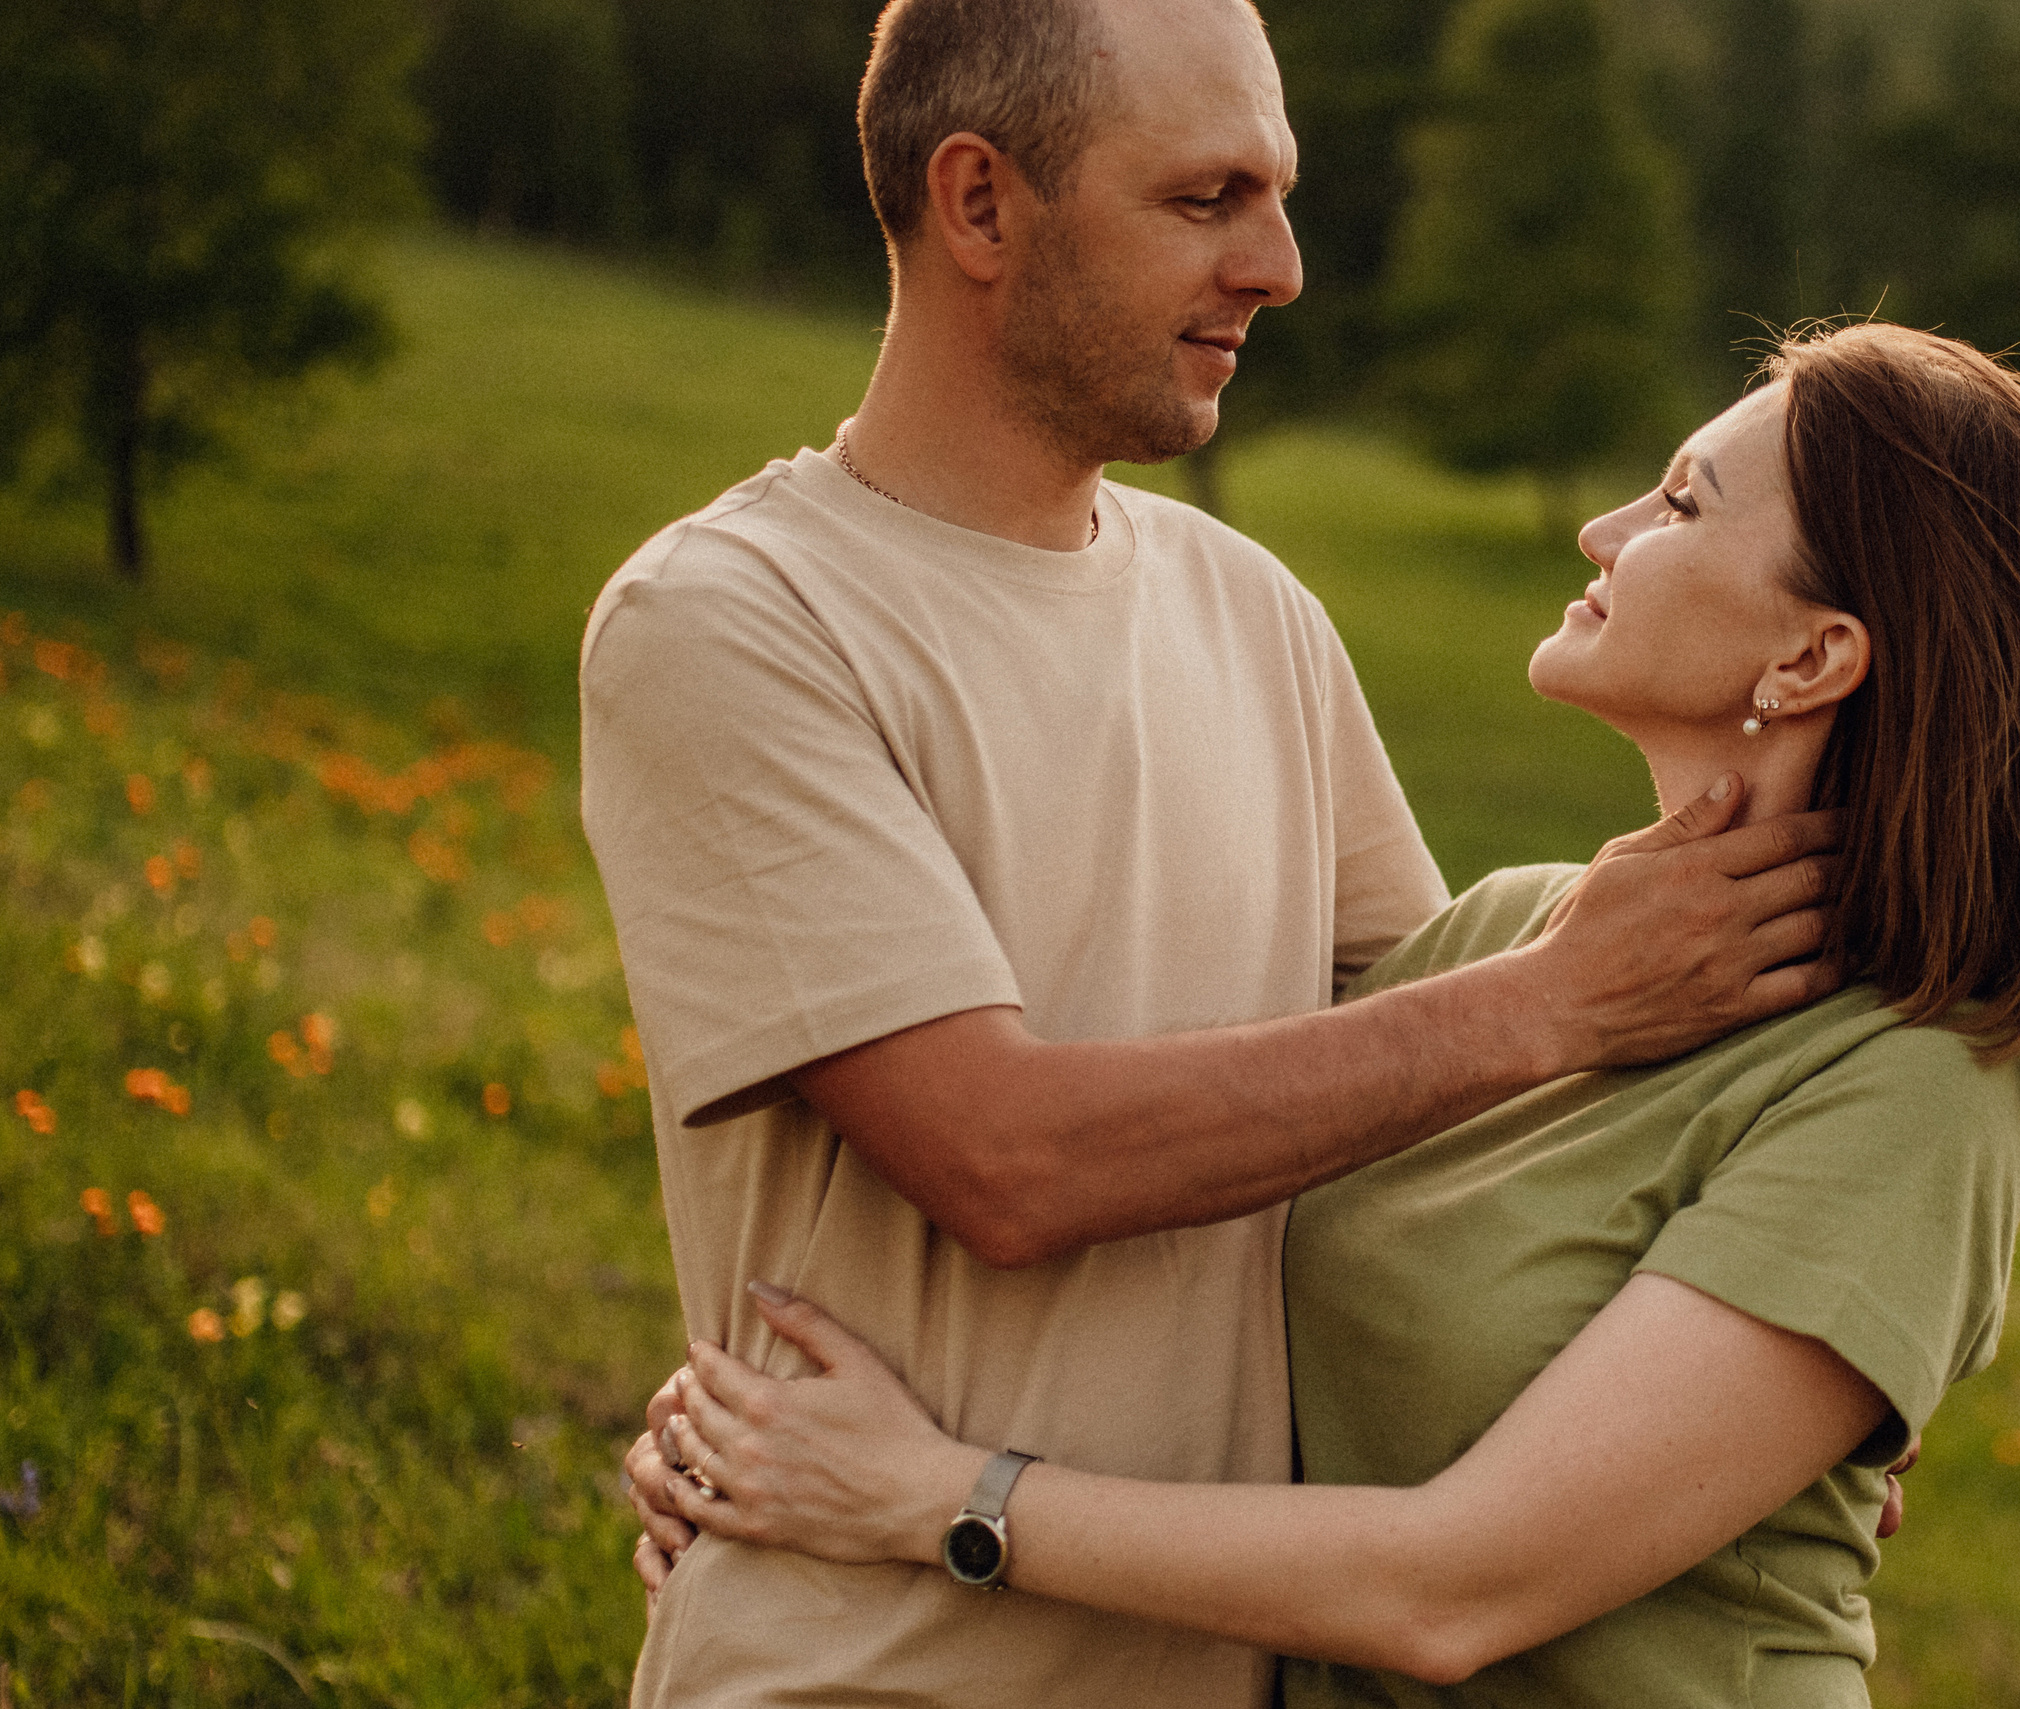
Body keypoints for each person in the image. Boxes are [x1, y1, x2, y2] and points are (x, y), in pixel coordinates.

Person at [628, 321, 2020, 1706]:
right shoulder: (1512, 938)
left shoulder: (1910, 1089)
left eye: (1678, 503)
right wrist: (751, 1441)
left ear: (1813, 656)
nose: (1601, 530)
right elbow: (1203, 1161)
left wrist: (928, 1499)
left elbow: (1446, 1590)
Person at [579, 0, 1841, 1703]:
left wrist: (1765, 1409)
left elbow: (1439, 1149)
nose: (1282, 264)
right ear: (978, 204)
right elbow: (1003, 1163)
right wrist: (1552, 1001)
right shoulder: (732, 623)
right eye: (1207, 198)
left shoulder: (1254, 613)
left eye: (1282, 193)